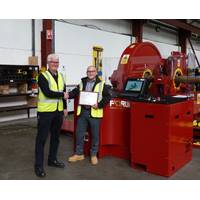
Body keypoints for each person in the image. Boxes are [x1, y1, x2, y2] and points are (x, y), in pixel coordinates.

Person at [67, 65, 111, 165]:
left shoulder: (102, 84)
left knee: (95, 135)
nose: (90, 73)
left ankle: (93, 155)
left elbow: (108, 97)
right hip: (83, 112)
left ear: (96, 72)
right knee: (79, 134)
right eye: (88, 71)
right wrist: (68, 95)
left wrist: (99, 105)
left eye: (92, 71)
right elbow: (75, 91)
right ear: (87, 73)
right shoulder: (82, 82)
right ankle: (79, 154)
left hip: (95, 113)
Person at [34, 54, 68, 177]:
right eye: (53, 62)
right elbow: (47, 93)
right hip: (45, 113)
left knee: (55, 138)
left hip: (58, 112)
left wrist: (65, 107)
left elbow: (64, 92)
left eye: (57, 62)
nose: (55, 64)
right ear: (48, 63)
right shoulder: (42, 76)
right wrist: (62, 96)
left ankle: (52, 160)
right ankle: (38, 166)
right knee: (41, 139)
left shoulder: (61, 76)